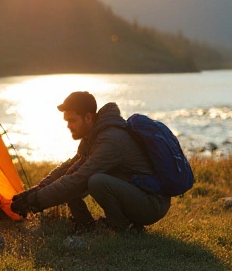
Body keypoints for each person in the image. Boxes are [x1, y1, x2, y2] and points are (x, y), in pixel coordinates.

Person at [10, 91, 170, 233]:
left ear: (88, 117)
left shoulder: (110, 140)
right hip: (137, 195)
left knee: (95, 181)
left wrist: (35, 202)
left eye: (72, 120)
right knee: (71, 178)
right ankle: (85, 225)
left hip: (151, 204)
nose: (68, 126)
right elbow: (69, 170)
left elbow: (80, 178)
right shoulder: (94, 136)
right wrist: (30, 194)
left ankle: (121, 227)